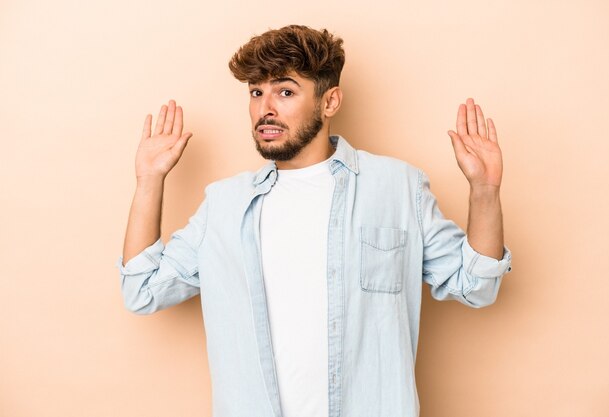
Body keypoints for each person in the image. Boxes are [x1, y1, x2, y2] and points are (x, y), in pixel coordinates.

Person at [118, 24, 511, 417]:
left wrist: (484, 190)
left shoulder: (396, 188)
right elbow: (143, 290)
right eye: (256, 93)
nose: (264, 109)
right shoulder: (224, 204)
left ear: (330, 101)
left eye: (285, 92)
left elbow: (476, 285)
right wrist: (149, 181)